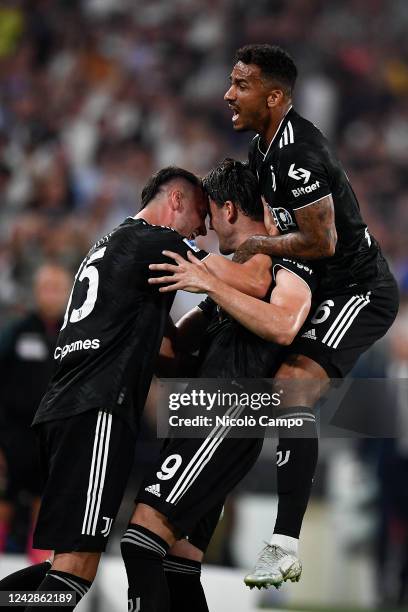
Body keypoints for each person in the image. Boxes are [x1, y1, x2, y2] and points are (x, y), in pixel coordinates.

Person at [0, 166, 273, 611]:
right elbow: (258, 280)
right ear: (176, 202)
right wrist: (270, 242)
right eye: (201, 215)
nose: (202, 231)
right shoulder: (157, 240)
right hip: (98, 412)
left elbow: (165, 353)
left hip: (68, 410)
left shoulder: (115, 247)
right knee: (75, 569)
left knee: (64, 564)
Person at [220, 44, 399, 588]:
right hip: (319, 285)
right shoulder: (262, 146)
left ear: (274, 97)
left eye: (242, 85)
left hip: (356, 290)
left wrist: (256, 246)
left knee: (292, 389)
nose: (229, 93)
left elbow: (321, 242)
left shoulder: (297, 154)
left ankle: (283, 542)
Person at [124, 159, 316, 612]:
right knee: (179, 561)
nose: (205, 226)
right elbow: (176, 353)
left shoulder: (275, 258)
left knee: (140, 540)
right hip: (205, 416)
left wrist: (204, 278)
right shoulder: (228, 277)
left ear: (228, 209)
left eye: (209, 214)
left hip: (227, 413)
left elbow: (283, 321)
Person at [0, 264, 71, 562]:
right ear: (35, 291)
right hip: (13, 435)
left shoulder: (75, 335)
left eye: (56, 288)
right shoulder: (15, 333)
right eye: (45, 287)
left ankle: (39, 577)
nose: (50, 294)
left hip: (54, 437)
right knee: (5, 499)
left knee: (47, 505)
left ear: (68, 292)